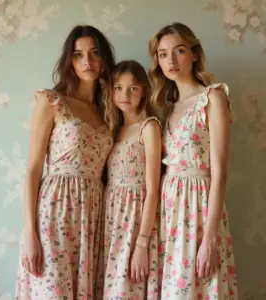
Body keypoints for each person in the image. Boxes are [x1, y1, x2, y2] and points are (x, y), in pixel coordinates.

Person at [15, 25, 115, 299]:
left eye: (95, 53)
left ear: (104, 58)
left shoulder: (109, 110)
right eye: (79, 54)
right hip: (54, 212)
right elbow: (34, 169)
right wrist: (30, 234)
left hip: (93, 216)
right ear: (69, 61)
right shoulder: (52, 101)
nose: (88, 62)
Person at [148, 22, 238, 299]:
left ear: (194, 54)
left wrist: (210, 237)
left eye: (179, 51)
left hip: (199, 209)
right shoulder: (167, 107)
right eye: (163, 54)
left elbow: (220, 172)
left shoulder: (213, 97)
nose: (171, 61)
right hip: (168, 210)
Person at [102, 60, 161, 299]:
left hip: (136, 223)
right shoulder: (112, 130)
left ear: (143, 91)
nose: (125, 94)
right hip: (112, 220)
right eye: (118, 88)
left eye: (133, 88)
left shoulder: (149, 127)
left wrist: (141, 244)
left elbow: (153, 189)